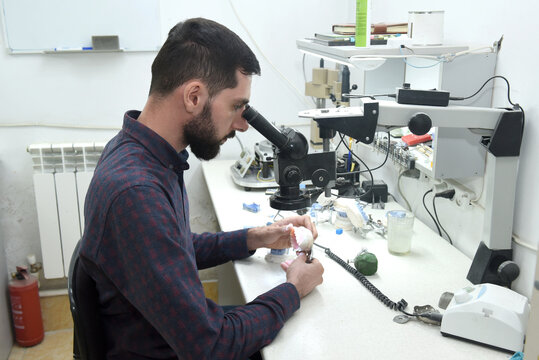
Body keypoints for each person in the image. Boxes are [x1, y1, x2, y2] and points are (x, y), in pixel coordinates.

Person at [79, 17, 324, 360]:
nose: (241, 123)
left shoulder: (143, 152)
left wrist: (256, 236)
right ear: (194, 96)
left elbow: (174, 247)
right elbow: (210, 345)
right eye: (237, 106)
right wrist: (294, 288)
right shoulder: (136, 191)